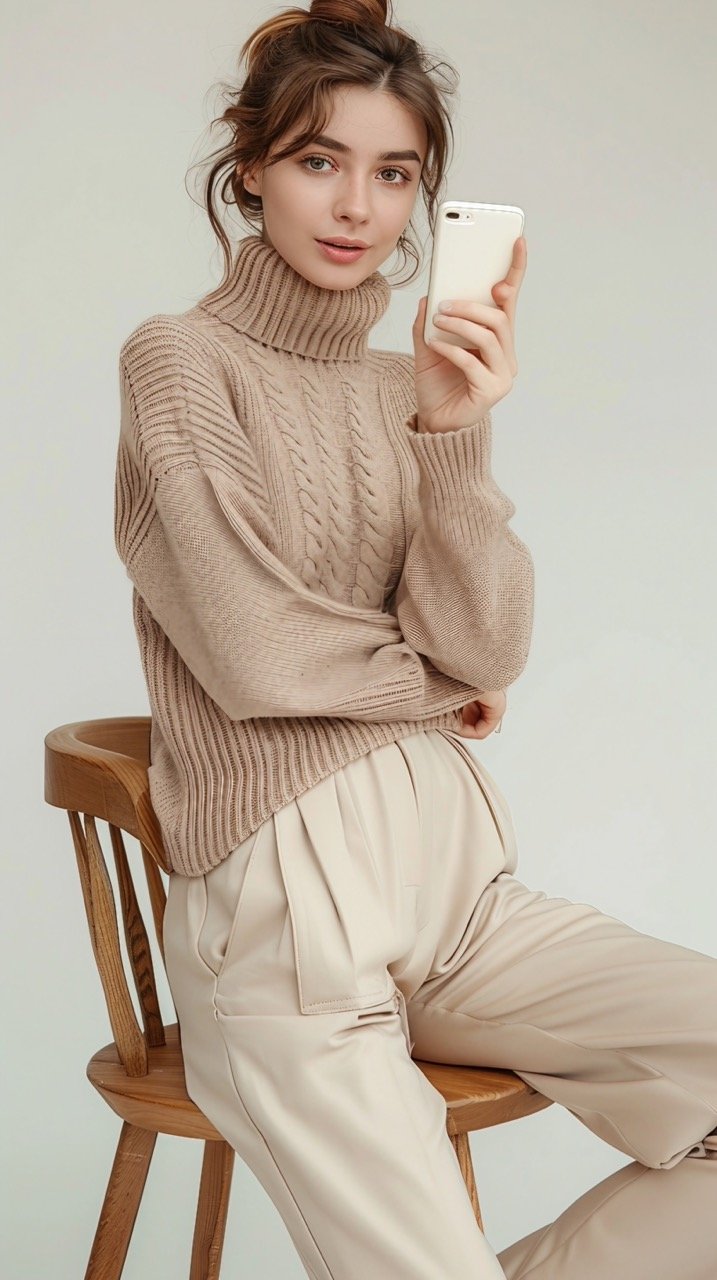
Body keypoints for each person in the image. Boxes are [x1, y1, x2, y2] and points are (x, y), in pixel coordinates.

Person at [113, 2, 717, 1276]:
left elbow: (487, 644)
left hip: (465, 911)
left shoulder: (415, 385)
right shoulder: (180, 361)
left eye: (395, 174)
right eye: (319, 161)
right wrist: (432, 692)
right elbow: (251, 644)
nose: (357, 208)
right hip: (291, 942)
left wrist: (453, 435)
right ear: (251, 170)